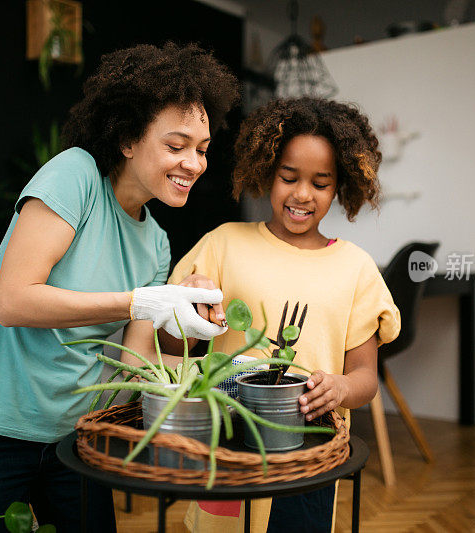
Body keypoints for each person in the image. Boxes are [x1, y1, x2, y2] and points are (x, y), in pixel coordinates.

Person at [0, 42, 239, 532]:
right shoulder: (76, 176)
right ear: (127, 139)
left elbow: (132, 366)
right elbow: (14, 301)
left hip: (76, 436)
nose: (194, 164)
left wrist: (212, 355)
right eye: (176, 145)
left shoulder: (156, 244)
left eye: (201, 149)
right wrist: (141, 300)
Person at [165, 96, 401, 533]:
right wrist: (181, 307)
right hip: (229, 444)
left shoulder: (356, 269)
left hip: (310, 450)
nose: (302, 195)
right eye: (288, 177)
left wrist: (342, 388)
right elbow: (171, 348)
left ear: (341, 186)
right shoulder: (223, 244)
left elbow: (366, 378)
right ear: (267, 171)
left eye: (321, 183)